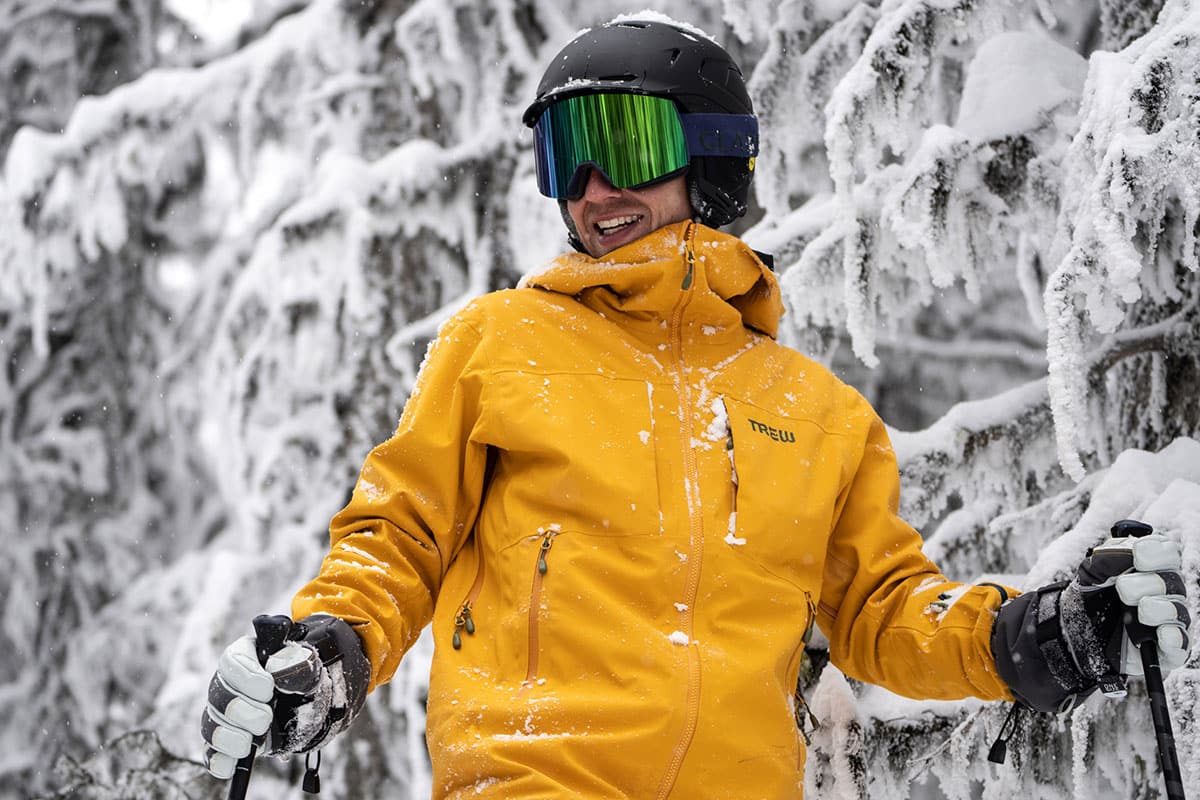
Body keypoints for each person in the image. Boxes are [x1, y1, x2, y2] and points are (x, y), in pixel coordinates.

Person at [200, 17, 1191, 798]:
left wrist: (1039, 632)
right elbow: (399, 532)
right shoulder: (501, 343)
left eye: (622, 145)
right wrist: (332, 644)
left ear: (712, 159)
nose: (591, 190)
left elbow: (884, 611)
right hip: (536, 778)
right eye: (565, 156)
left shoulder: (815, 411)